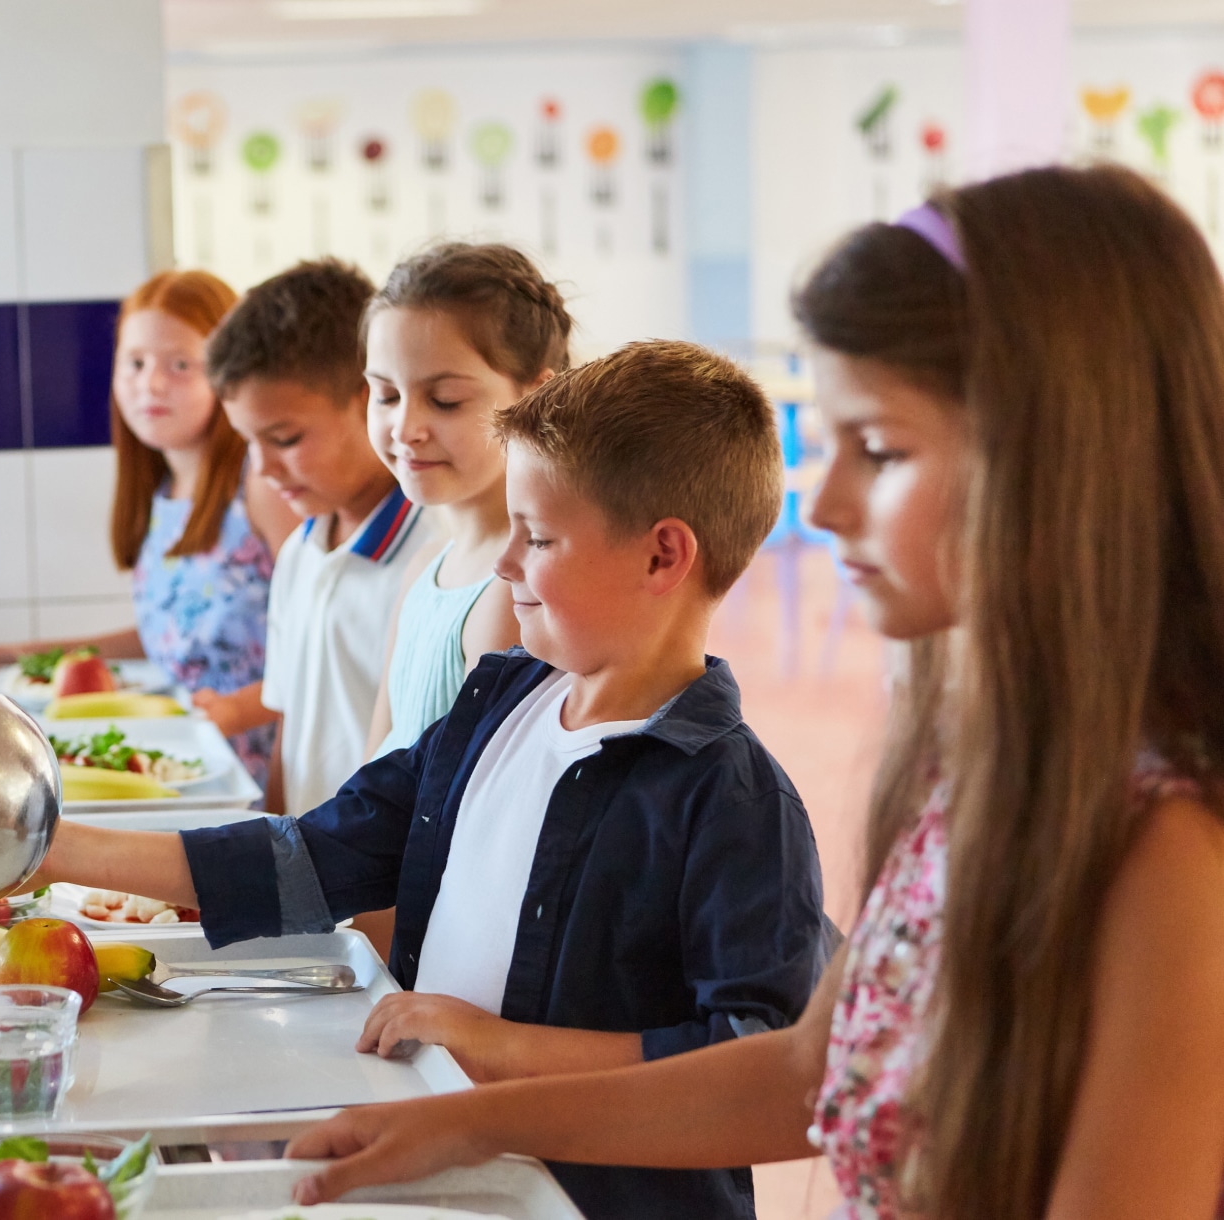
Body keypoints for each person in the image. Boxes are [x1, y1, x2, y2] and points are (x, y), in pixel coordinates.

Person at [282, 165, 1224, 1220]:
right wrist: (470, 1117)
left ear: (1063, 456)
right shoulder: (982, 758)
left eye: (881, 448)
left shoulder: (1170, 844)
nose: (821, 501)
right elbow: (803, 1072)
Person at [35, 340, 832, 1220]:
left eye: (537, 537)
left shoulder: (734, 803)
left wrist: (501, 1049)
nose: (504, 566)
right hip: (459, 1183)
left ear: (661, 557)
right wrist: (57, 851)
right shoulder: (497, 704)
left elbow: (755, 1063)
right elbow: (313, 856)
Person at [0, 270, 297, 783]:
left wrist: (236, 713)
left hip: (251, 781)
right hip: (184, 766)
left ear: (230, 370)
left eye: (180, 364)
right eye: (136, 363)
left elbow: (324, 650)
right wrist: (34, 656)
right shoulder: (163, 491)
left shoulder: (262, 484)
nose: (151, 383)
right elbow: (171, 638)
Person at [206, 258, 435, 814]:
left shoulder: (434, 555)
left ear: (370, 397)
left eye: (284, 438)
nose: (262, 468)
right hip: (311, 884)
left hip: (385, 890)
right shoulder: (299, 553)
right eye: (248, 442)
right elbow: (290, 726)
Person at [362, 243, 569, 761]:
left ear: (534, 398)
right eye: (386, 396)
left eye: (445, 400)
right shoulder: (425, 568)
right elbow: (370, 773)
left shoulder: (515, 594)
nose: (406, 429)